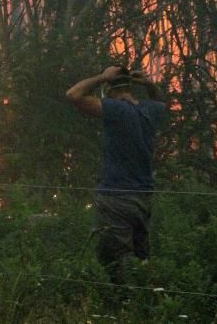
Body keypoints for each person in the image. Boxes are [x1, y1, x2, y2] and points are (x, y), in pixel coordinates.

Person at [65, 65, 167, 281]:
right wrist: (148, 83)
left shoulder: (114, 109)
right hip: (143, 196)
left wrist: (102, 76)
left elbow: (73, 94)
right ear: (131, 86)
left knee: (115, 258)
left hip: (116, 195)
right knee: (141, 256)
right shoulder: (149, 110)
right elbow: (160, 100)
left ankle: (123, 303)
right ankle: (145, 299)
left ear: (109, 88)